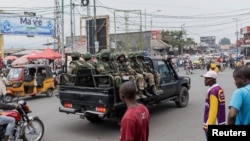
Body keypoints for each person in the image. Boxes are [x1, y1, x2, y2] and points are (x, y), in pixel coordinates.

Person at [201, 70, 226, 140]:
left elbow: (213, 109)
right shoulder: (219, 89)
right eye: (205, 78)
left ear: (213, 79)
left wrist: (209, 125)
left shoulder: (213, 91)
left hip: (213, 122)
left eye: (207, 79)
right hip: (221, 121)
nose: (205, 81)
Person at [0, 72, 18, 141]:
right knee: (12, 120)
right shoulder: (3, 78)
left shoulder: (3, 78)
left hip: (3, 92)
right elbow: (2, 105)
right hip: (3, 92)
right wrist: (14, 106)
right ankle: (6, 138)